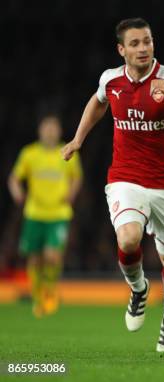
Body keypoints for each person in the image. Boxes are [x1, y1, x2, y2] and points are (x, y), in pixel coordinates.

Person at [61, 17, 164, 352]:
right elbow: (98, 101)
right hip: (125, 178)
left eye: (147, 41)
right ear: (122, 50)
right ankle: (138, 288)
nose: (143, 48)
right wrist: (77, 139)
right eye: (135, 43)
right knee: (129, 238)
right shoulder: (111, 79)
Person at [8, 114, 82, 317]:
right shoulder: (29, 153)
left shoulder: (66, 151)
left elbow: (77, 177)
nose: (50, 131)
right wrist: (17, 193)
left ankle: (49, 290)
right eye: (46, 128)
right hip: (34, 212)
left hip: (58, 213)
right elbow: (14, 178)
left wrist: (71, 194)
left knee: (52, 255)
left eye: (53, 128)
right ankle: (37, 294)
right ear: (40, 130)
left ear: (58, 131)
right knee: (34, 259)